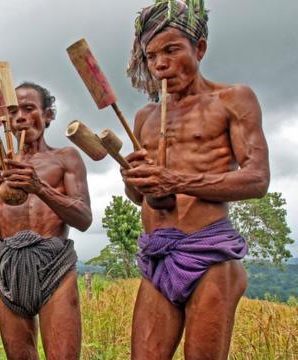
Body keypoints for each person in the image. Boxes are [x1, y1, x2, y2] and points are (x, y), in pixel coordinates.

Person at [122, 2, 270, 358]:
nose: (160, 64)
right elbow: (137, 195)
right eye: (151, 56)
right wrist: (133, 179)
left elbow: (257, 179)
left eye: (171, 50)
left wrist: (175, 180)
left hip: (209, 253)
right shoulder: (145, 116)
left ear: (199, 48)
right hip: (157, 254)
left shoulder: (232, 100)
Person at [0, 82, 92, 360]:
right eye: (13, 112)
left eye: (29, 109)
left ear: (48, 115)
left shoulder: (65, 158)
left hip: (54, 264)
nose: (21, 117)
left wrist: (39, 187)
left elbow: (84, 219)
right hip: (8, 265)